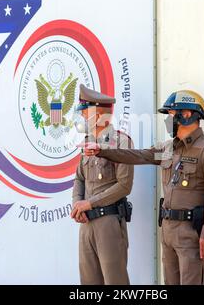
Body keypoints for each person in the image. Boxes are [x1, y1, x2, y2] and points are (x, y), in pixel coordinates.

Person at [84, 90, 204, 285]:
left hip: (190, 233)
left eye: (171, 115)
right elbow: (139, 155)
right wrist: (103, 151)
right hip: (167, 230)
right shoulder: (168, 149)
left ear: (187, 115)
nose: (168, 120)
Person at [70, 84, 134, 285]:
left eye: (84, 111)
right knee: (88, 283)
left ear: (98, 114)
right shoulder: (88, 142)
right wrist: (77, 204)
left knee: (115, 282)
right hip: (86, 224)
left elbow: (125, 185)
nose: (80, 117)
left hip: (109, 224)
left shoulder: (121, 142)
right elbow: (79, 178)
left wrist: (89, 203)